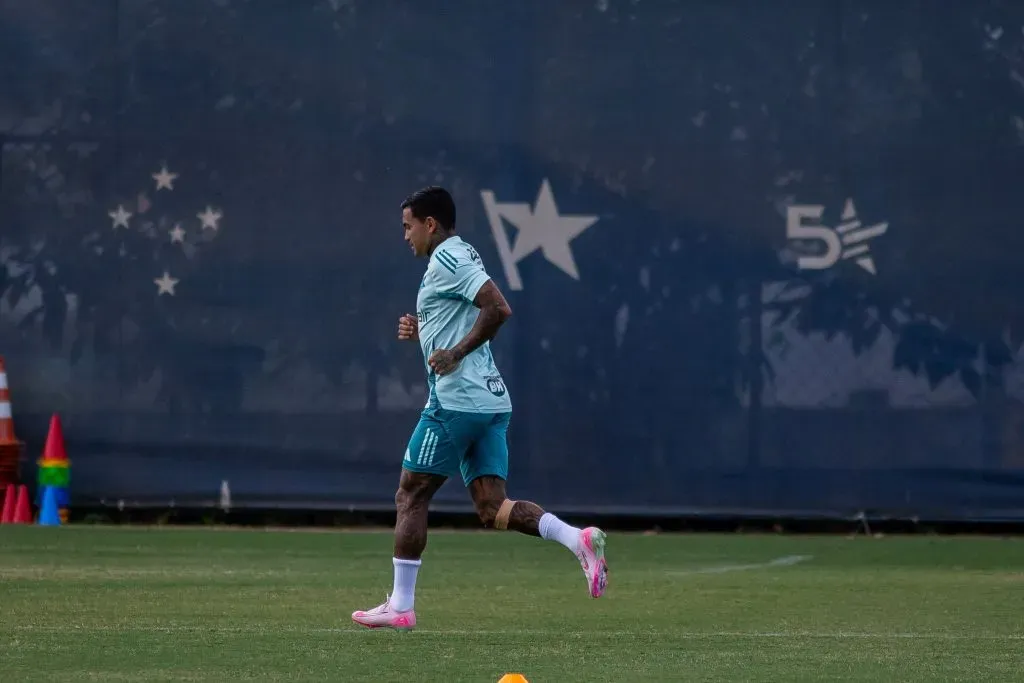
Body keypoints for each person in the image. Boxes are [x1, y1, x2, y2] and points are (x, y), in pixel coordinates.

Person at [352, 186, 609, 631]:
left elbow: (497, 308)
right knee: (493, 508)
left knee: (411, 492)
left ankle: (401, 606)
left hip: (457, 401)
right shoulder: (456, 255)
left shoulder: (448, 256)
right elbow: (464, 312)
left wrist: (454, 353)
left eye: (408, 226)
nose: (405, 235)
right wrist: (425, 330)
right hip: (490, 401)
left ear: (430, 224)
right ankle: (577, 539)